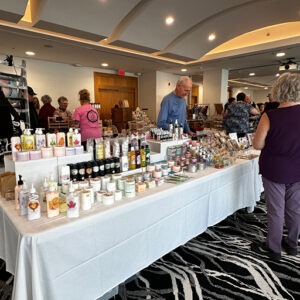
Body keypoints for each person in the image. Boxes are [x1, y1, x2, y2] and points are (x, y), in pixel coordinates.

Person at [252, 72, 300, 260]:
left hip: (275, 169)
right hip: (297, 169)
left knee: (275, 210)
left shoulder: (270, 116)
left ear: (278, 90)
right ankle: (292, 244)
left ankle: (274, 248)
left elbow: (257, 144)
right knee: (296, 209)